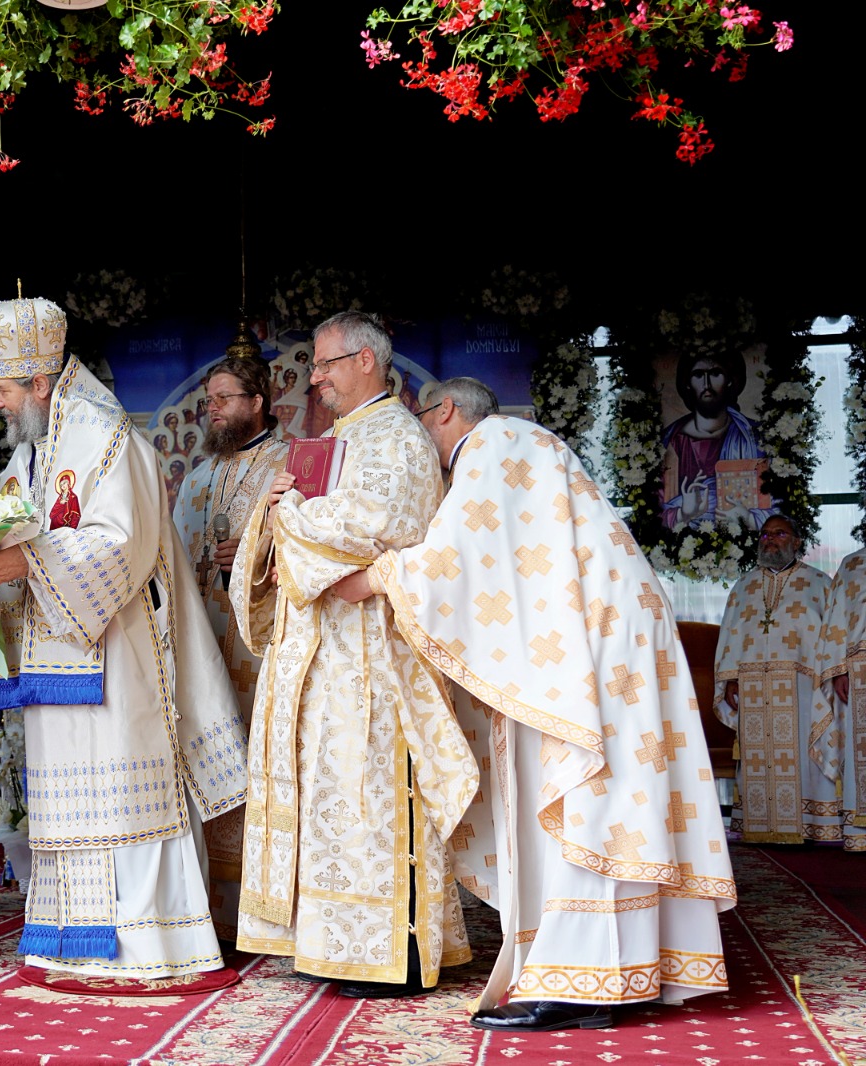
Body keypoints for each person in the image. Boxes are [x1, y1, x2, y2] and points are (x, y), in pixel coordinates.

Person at [340, 377, 735, 1031]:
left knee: (587, 804)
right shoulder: (521, 444)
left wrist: (372, 578)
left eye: (418, 419)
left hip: (587, 654)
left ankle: (582, 983)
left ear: (444, 412)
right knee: (613, 803)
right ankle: (623, 972)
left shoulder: (494, 443)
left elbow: (462, 557)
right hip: (595, 642)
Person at [0, 294, 248, 980]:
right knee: (67, 797)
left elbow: (120, 546)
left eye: (2, 388)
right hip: (59, 659)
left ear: (39, 382)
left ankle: (151, 945)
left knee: (120, 791)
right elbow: (8, 517)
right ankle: (73, 940)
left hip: (117, 654)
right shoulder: (40, 445)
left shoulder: (109, 439)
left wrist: (22, 559)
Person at [228, 310, 477, 996]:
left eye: (326, 363)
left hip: (372, 654)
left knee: (373, 798)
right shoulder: (336, 439)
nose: (314, 377)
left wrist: (288, 514)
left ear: (366, 360)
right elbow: (298, 532)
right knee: (331, 801)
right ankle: (333, 945)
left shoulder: (395, 437)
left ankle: (391, 954)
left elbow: (378, 526)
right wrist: (272, 509)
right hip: (321, 656)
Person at [169, 356, 289, 942]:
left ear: (257, 402)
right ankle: (212, 910)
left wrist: (257, 550)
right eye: (208, 399)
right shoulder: (197, 478)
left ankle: (264, 912)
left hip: (259, 646)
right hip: (203, 644)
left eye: (223, 398)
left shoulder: (289, 466)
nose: (212, 409)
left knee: (260, 762)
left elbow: (313, 545)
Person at [715, 514, 839, 842]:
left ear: (797, 542)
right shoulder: (743, 586)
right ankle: (760, 826)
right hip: (752, 686)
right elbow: (731, 634)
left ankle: (809, 824)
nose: (770, 540)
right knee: (758, 757)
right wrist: (729, 680)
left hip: (803, 686)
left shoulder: (819, 583)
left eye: (780, 533)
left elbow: (831, 637)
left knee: (800, 754)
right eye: (766, 535)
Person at [660, 348, 770, 531]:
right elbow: (652, 513)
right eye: (698, 375)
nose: (706, 383)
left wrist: (749, 518)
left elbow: (776, 505)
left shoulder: (753, 437)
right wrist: (683, 514)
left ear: (729, 380)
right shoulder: (670, 441)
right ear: (687, 383)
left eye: (715, 373)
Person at [822, 539, 866, 852]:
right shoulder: (852, 564)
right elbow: (836, 621)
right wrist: (838, 669)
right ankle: (860, 831)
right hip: (860, 668)